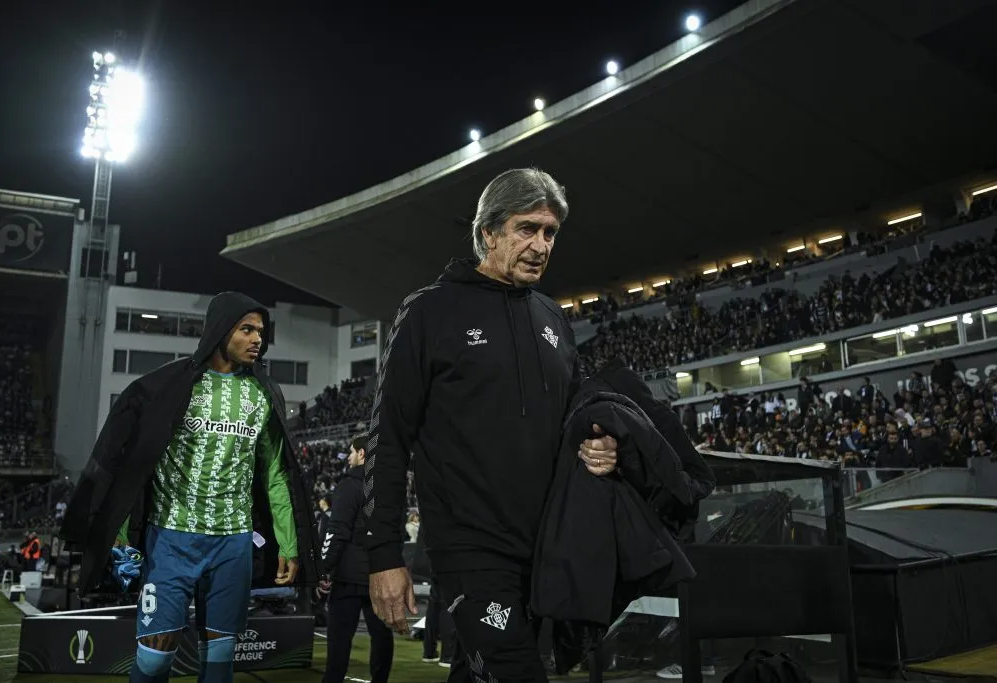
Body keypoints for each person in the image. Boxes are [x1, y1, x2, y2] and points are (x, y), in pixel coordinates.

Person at [364, 168, 618, 682]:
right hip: (470, 549)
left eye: (550, 233)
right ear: (488, 233)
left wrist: (602, 445)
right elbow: (387, 439)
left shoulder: (553, 320)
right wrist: (383, 556)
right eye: (527, 229)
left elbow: (576, 421)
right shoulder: (429, 311)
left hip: (545, 546)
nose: (541, 245)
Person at [60, 292, 317, 683]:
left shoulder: (263, 394)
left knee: (220, 656)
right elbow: (134, 463)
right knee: (157, 652)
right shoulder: (174, 387)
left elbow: (276, 474)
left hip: (233, 543)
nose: (257, 340)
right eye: (247, 329)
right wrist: (121, 534)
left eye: (261, 332)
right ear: (220, 330)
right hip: (172, 539)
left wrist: (289, 543)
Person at [320, 433, 394, 683]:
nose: (349, 456)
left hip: (350, 576)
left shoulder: (348, 486)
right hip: (380, 573)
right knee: (382, 636)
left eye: (352, 451)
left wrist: (325, 568)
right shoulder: (388, 486)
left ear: (362, 454)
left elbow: (337, 530)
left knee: (340, 639)